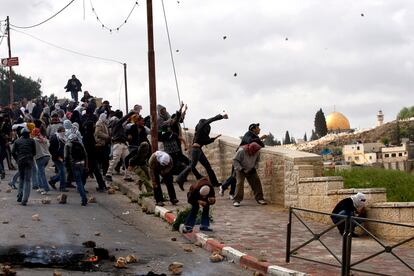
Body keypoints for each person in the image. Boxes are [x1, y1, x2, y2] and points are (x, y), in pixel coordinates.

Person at [176, 113, 228, 188]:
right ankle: (180, 178)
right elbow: (211, 119)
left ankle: (215, 183)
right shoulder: (201, 126)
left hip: (199, 150)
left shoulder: (201, 133)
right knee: (192, 166)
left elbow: (205, 142)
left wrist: (214, 139)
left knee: (208, 167)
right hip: (196, 150)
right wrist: (221, 116)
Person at [220, 123, 268, 199]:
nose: (259, 129)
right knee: (235, 175)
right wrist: (260, 138)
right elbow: (250, 141)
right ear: (253, 129)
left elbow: (261, 145)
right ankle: (225, 188)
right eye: (258, 128)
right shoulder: (248, 134)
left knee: (235, 176)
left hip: (247, 160)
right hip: (239, 158)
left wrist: (259, 139)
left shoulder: (255, 136)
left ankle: (229, 191)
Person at [232, 142, 267, 207]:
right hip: (240, 169)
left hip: (251, 169)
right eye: (254, 151)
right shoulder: (241, 151)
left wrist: (254, 168)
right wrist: (241, 169)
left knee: (256, 181)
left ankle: (260, 198)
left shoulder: (257, 152)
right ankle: (237, 200)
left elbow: (257, 161)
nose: (255, 152)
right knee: (239, 183)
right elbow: (235, 160)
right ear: (250, 148)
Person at [11, 128, 36, 206]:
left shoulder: (17, 141)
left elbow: (13, 152)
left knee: (21, 178)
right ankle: (25, 199)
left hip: (20, 161)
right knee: (27, 180)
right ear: (28, 134)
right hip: (29, 160)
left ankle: (20, 194)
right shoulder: (32, 141)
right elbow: (34, 152)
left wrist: (17, 159)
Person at [65, 133, 88, 206]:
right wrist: (86, 166)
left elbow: (66, 157)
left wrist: (67, 166)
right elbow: (86, 155)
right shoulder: (80, 144)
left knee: (79, 182)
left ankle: (84, 198)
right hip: (82, 163)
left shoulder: (68, 145)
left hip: (74, 164)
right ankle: (83, 196)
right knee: (80, 181)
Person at [32, 128, 51, 195]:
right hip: (47, 156)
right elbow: (48, 145)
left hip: (40, 157)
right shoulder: (43, 138)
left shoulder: (34, 140)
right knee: (39, 173)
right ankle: (40, 187)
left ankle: (46, 189)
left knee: (42, 174)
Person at [49, 126, 68, 192]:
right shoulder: (55, 138)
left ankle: (53, 180)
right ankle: (62, 187)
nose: (64, 132)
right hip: (57, 157)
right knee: (63, 171)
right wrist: (57, 157)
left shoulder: (62, 137)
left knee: (62, 171)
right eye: (63, 131)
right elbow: (51, 149)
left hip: (62, 157)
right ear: (59, 131)